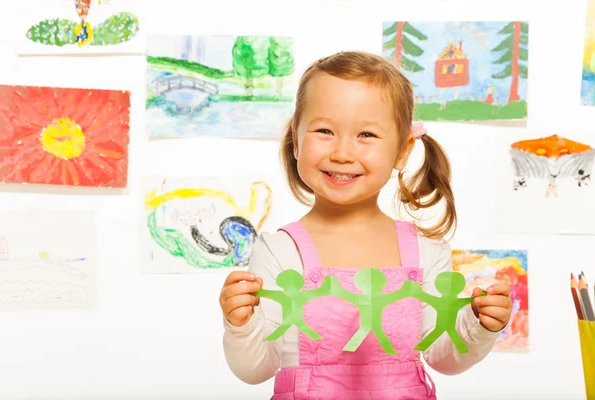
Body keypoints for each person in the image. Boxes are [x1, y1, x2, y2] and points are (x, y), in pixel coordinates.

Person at [219, 51, 512, 399]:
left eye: (367, 135)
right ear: (297, 140)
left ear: (402, 152)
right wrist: (241, 324)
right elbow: (257, 369)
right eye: (324, 131)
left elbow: (442, 356)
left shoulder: (424, 251)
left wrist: (478, 326)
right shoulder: (280, 250)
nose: (343, 152)